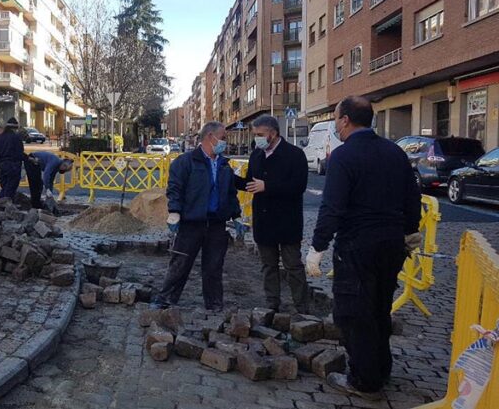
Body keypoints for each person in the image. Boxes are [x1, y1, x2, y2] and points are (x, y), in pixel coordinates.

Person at [305, 96, 421, 400]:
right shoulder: (395, 152)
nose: (335, 125)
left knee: (353, 313)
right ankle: (381, 368)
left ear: (345, 121)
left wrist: (317, 247)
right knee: (379, 308)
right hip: (392, 245)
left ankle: (364, 381)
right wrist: (410, 233)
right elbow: (413, 197)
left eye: (335, 119)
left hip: (358, 245)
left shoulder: (343, 156)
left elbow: (332, 207)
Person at [150, 121, 245, 312]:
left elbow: (229, 193)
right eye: (223, 138)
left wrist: (236, 216)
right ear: (211, 137)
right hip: (191, 223)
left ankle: (214, 305)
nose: (225, 142)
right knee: (180, 263)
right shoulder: (185, 162)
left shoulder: (224, 165)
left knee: (214, 267)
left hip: (216, 224)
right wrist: (175, 212)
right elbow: (175, 188)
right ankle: (166, 300)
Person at [236, 115, 310, 313]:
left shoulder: (294, 155)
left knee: (293, 266)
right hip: (264, 220)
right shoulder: (256, 155)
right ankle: (272, 305)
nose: (257, 139)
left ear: (273, 133)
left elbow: (298, 186)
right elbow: (251, 184)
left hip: (287, 221)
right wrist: (231, 178)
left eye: (260, 134)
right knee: (268, 266)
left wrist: (268, 186)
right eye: (255, 135)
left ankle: (302, 307)